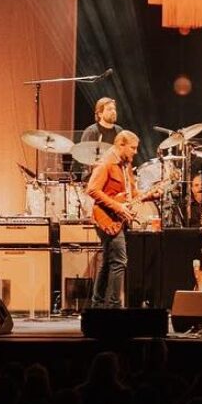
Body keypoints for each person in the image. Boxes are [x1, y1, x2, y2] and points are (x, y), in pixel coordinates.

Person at [85, 130, 162, 308]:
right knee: (119, 261)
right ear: (121, 145)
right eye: (133, 148)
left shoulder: (126, 165)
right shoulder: (106, 163)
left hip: (118, 218)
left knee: (108, 262)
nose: (136, 152)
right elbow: (92, 190)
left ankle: (97, 304)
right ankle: (113, 306)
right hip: (106, 218)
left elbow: (133, 194)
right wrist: (117, 206)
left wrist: (151, 195)